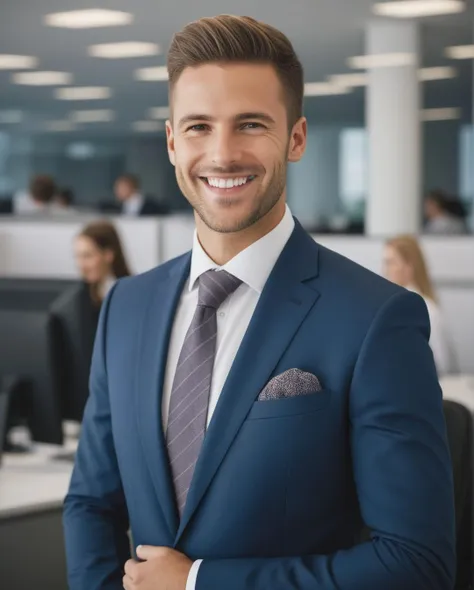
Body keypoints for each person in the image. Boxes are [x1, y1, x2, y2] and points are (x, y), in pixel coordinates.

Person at [64, 15, 455, 590]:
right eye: (198, 126)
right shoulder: (126, 305)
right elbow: (90, 505)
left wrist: (198, 582)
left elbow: (416, 564)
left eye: (250, 124)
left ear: (295, 139)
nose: (222, 155)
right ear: (173, 143)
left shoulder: (376, 318)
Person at [383, 235, 457, 375]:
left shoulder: (424, 308)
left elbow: (441, 365)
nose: (385, 270)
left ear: (409, 266)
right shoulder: (395, 305)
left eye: (391, 262)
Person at [74, 220, 131, 306]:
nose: (81, 265)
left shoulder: (130, 293)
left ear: (108, 255)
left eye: (88, 256)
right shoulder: (81, 294)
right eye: (78, 256)